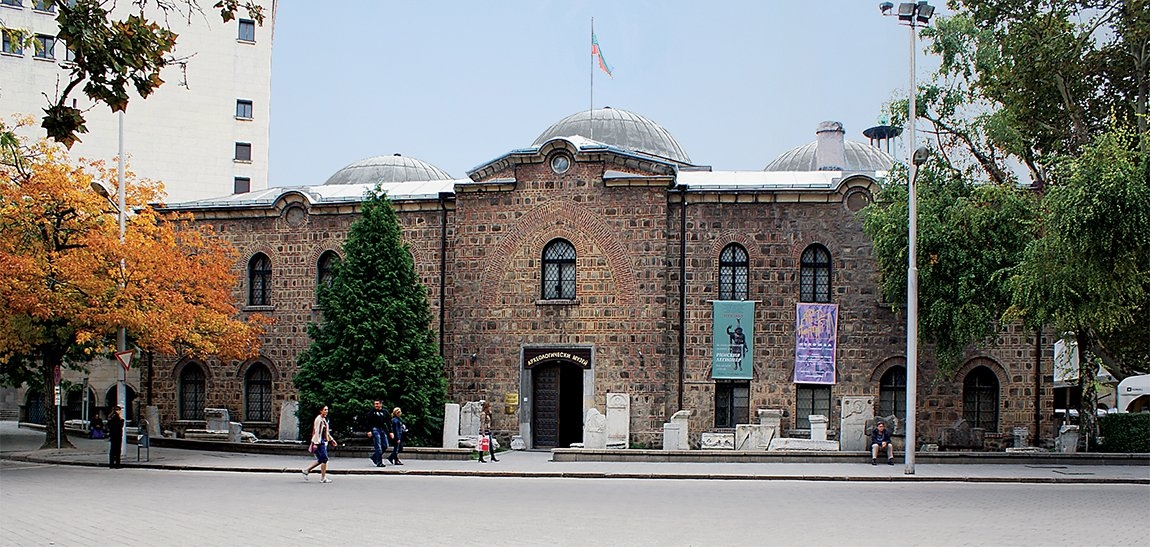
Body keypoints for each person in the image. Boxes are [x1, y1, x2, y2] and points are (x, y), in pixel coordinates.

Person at [303, 405, 338, 483]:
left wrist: (332, 440)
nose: (327, 411)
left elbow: (326, 432)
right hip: (319, 442)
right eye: (325, 410)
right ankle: (323, 478)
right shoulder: (318, 420)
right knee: (324, 459)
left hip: (322, 441)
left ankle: (307, 470)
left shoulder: (324, 419)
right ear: (321, 411)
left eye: (327, 409)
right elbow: (317, 432)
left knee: (322, 459)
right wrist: (315, 443)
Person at [365, 399, 389, 467]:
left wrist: (390, 431)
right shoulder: (372, 412)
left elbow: (388, 422)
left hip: (383, 429)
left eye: (377, 404)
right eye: (375, 404)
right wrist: (369, 431)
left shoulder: (384, 412)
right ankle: (379, 462)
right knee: (378, 446)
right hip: (375, 429)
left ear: (381, 404)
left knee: (385, 445)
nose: (376, 405)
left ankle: (374, 457)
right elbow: (368, 422)